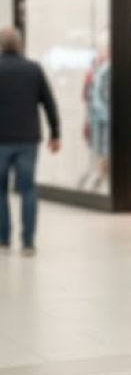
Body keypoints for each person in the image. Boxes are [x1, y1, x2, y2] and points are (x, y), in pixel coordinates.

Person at [0, 26, 61, 256]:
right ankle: (28, 243)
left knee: (0, 191)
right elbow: (49, 103)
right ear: (20, 44)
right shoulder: (33, 70)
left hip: (1, 140)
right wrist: (56, 133)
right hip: (28, 139)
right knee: (28, 189)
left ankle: (4, 240)